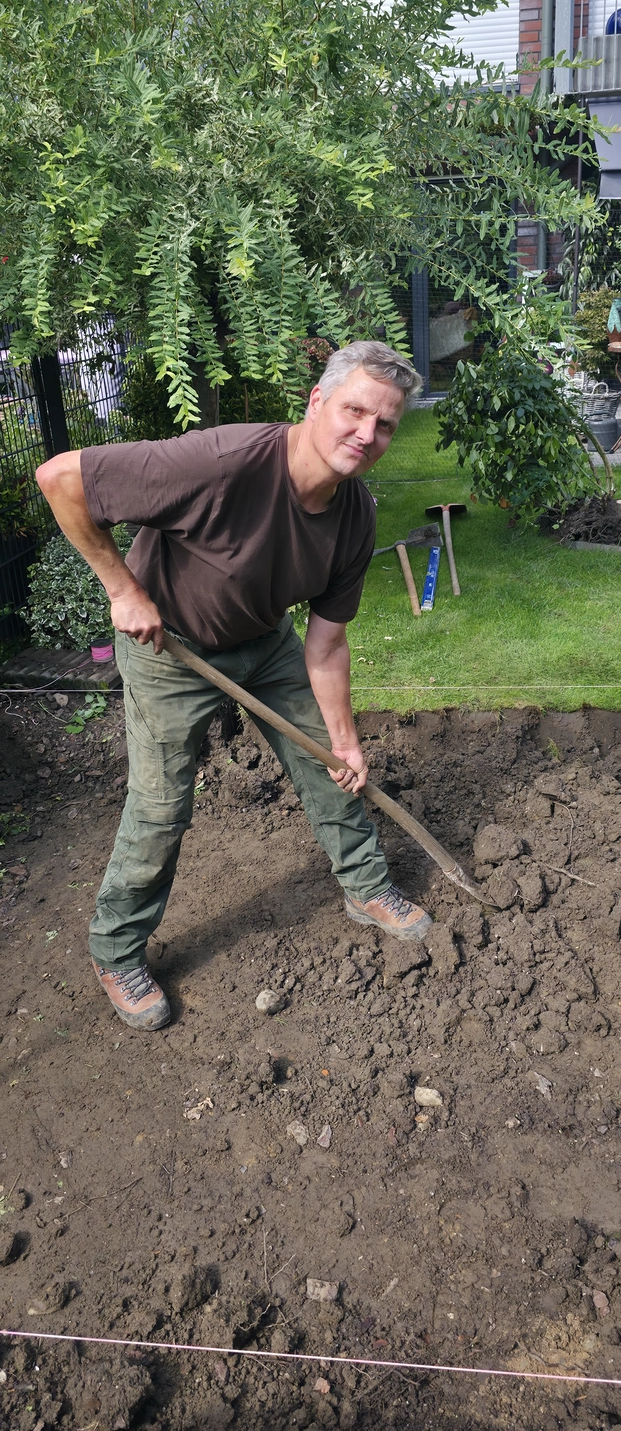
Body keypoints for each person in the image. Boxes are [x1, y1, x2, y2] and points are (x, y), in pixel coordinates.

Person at [36, 340, 432, 1032]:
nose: (366, 434)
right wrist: (122, 589)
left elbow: (327, 641)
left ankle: (365, 887)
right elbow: (60, 476)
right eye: (353, 411)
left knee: (329, 765)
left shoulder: (353, 513)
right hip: (171, 651)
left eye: (386, 424)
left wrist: (344, 741)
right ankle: (116, 949)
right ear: (316, 402)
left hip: (265, 642)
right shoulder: (220, 463)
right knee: (161, 811)